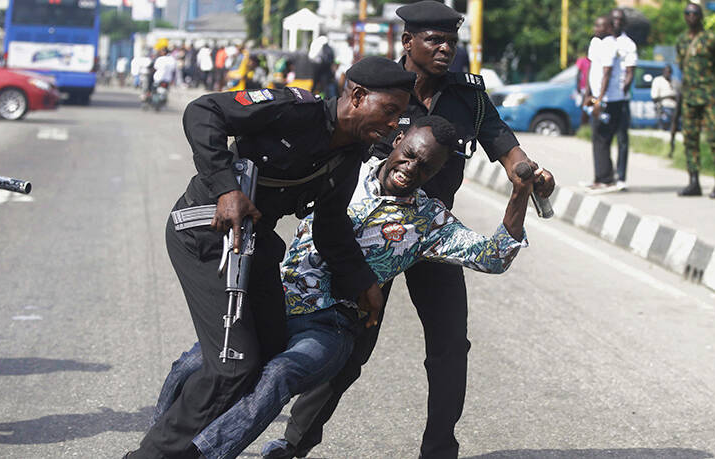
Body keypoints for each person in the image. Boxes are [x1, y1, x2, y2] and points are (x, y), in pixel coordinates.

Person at [264, 2, 555, 459]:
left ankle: (439, 449)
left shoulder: (470, 98)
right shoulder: (383, 87)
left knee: (449, 347)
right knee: (351, 345)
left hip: (434, 237)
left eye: (451, 42)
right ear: (407, 42)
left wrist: (531, 174)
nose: (446, 49)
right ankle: (294, 444)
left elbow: (505, 146)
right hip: (370, 239)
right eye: (434, 40)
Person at [148, 115, 534, 459]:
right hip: (273, 301)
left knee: (279, 374)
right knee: (195, 362)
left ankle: (199, 454)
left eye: (427, 168)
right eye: (411, 155)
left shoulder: (429, 222)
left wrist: (519, 194)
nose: (411, 169)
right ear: (398, 141)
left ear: (436, 174)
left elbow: (493, 256)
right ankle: (158, 442)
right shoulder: (345, 170)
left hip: (330, 327)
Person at [123, 56, 416, 459]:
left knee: (267, 352)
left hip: (251, 246)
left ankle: (182, 442)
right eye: (389, 112)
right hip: (206, 234)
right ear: (359, 95)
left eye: (399, 116)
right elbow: (203, 111)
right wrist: (227, 187)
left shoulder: (349, 154)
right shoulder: (294, 110)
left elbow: (331, 228)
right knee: (233, 364)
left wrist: (364, 282)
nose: (392, 125)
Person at [675, 3, 715, 199]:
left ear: (701, 16)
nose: (691, 17)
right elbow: (682, 65)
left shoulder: (712, 39)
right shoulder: (681, 41)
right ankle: (693, 182)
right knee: (690, 139)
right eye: (687, 13)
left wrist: (712, 85)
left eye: (694, 14)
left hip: (709, 95)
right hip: (689, 96)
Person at [583, 15, 619, 193]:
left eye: (601, 26)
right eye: (595, 25)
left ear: (609, 28)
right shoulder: (595, 43)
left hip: (608, 100)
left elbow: (607, 73)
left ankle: (607, 179)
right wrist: (588, 94)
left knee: (603, 138)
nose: (596, 28)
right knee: (596, 137)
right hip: (595, 96)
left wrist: (600, 100)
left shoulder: (611, 44)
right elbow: (591, 69)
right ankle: (598, 178)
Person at [609, 8, 637, 191]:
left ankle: (621, 176)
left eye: (620, 20)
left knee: (622, 138)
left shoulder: (629, 45)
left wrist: (623, 90)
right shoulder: (604, 41)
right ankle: (605, 176)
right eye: (614, 19)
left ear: (624, 23)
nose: (617, 22)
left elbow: (630, 72)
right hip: (606, 98)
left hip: (621, 99)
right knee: (603, 140)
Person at [651, 64, 678, 131]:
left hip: (675, 107)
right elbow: (655, 98)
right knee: (665, 117)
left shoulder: (675, 82)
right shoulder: (658, 80)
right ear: (663, 72)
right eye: (666, 72)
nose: (668, 74)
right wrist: (668, 96)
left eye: (669, 72)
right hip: (663, 106)